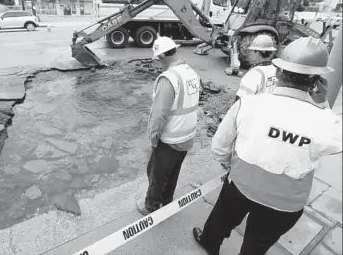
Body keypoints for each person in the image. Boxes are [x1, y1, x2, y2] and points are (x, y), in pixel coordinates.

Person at [192, 36, 342, 255]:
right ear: (316, 81)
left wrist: (229, 166)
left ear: (279, 72)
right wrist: (323, 104)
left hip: (241, 186)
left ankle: (209, 244)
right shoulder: (325, 121)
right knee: (256, 246)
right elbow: (335, 142)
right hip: (285, 202)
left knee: (221, 221)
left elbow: (219, 146)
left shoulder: (249, 104)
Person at [136, 36, 201, 215]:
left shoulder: (168, 79)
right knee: (172, 173)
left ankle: (150, 206)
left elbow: (159, 114)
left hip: (171, 138)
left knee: (156, 174)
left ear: (163, 56)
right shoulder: (190, 72)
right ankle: (167, 201)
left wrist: (153, 138)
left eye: (158, 59)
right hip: (187, 136)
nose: (158, 64)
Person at [236, 35, 330, 108]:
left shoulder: (254, 74)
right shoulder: (279, 71)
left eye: (252, 51)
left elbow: (240, 101)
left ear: (256, 52)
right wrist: (323, 102)